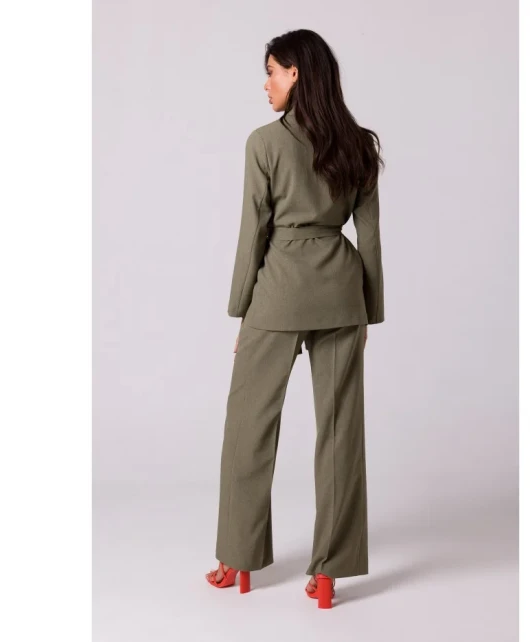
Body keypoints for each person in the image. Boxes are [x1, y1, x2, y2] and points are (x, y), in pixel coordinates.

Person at [205, 28, 385, 609]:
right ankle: (330, 572)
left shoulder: (264, 143)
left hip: (278, 293)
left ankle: (237, 559)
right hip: (341, 295)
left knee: (248, 428)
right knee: (341, 433)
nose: (266, 83)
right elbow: (370, 237)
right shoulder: (358, 144)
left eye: (272, 71)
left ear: (296, 73)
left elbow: (252, 233)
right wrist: (368, 312)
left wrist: (242, 310)